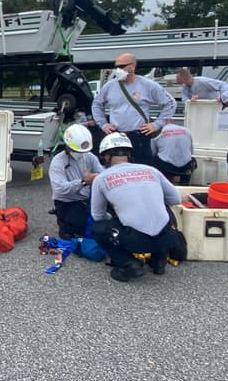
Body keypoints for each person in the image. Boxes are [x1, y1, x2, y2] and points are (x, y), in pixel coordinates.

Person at [89, 132, 184, 282]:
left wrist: (117, 217)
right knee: (165, 206)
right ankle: (159, 260)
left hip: (136, 241)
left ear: (106, 156)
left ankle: (128, 264)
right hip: (168, 237)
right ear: (129, 153)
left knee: (97, 228)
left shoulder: (101, 178)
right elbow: (175, 199)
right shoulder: (151, 170)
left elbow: (98, 216)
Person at [90, 52, 177, 165]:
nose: (117, 70)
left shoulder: (148, 85)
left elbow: (170, 103)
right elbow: (96, 104)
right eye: (116, 66)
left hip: (138, 136)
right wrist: (103, 124)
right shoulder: (110, 86)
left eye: (121, 66)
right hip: (117, 137)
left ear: (132, 66)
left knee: (142, 168)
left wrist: (156, 124)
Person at [49, 123, 103, 239]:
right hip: (68, 201)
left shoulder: (89, 156)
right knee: (80, 226)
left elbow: (101, 171)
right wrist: (83, 182)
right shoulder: (58, 162)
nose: (80, 154)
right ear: (67, 146)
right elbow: (60, 189)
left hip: (87, 198)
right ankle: (64, 224)